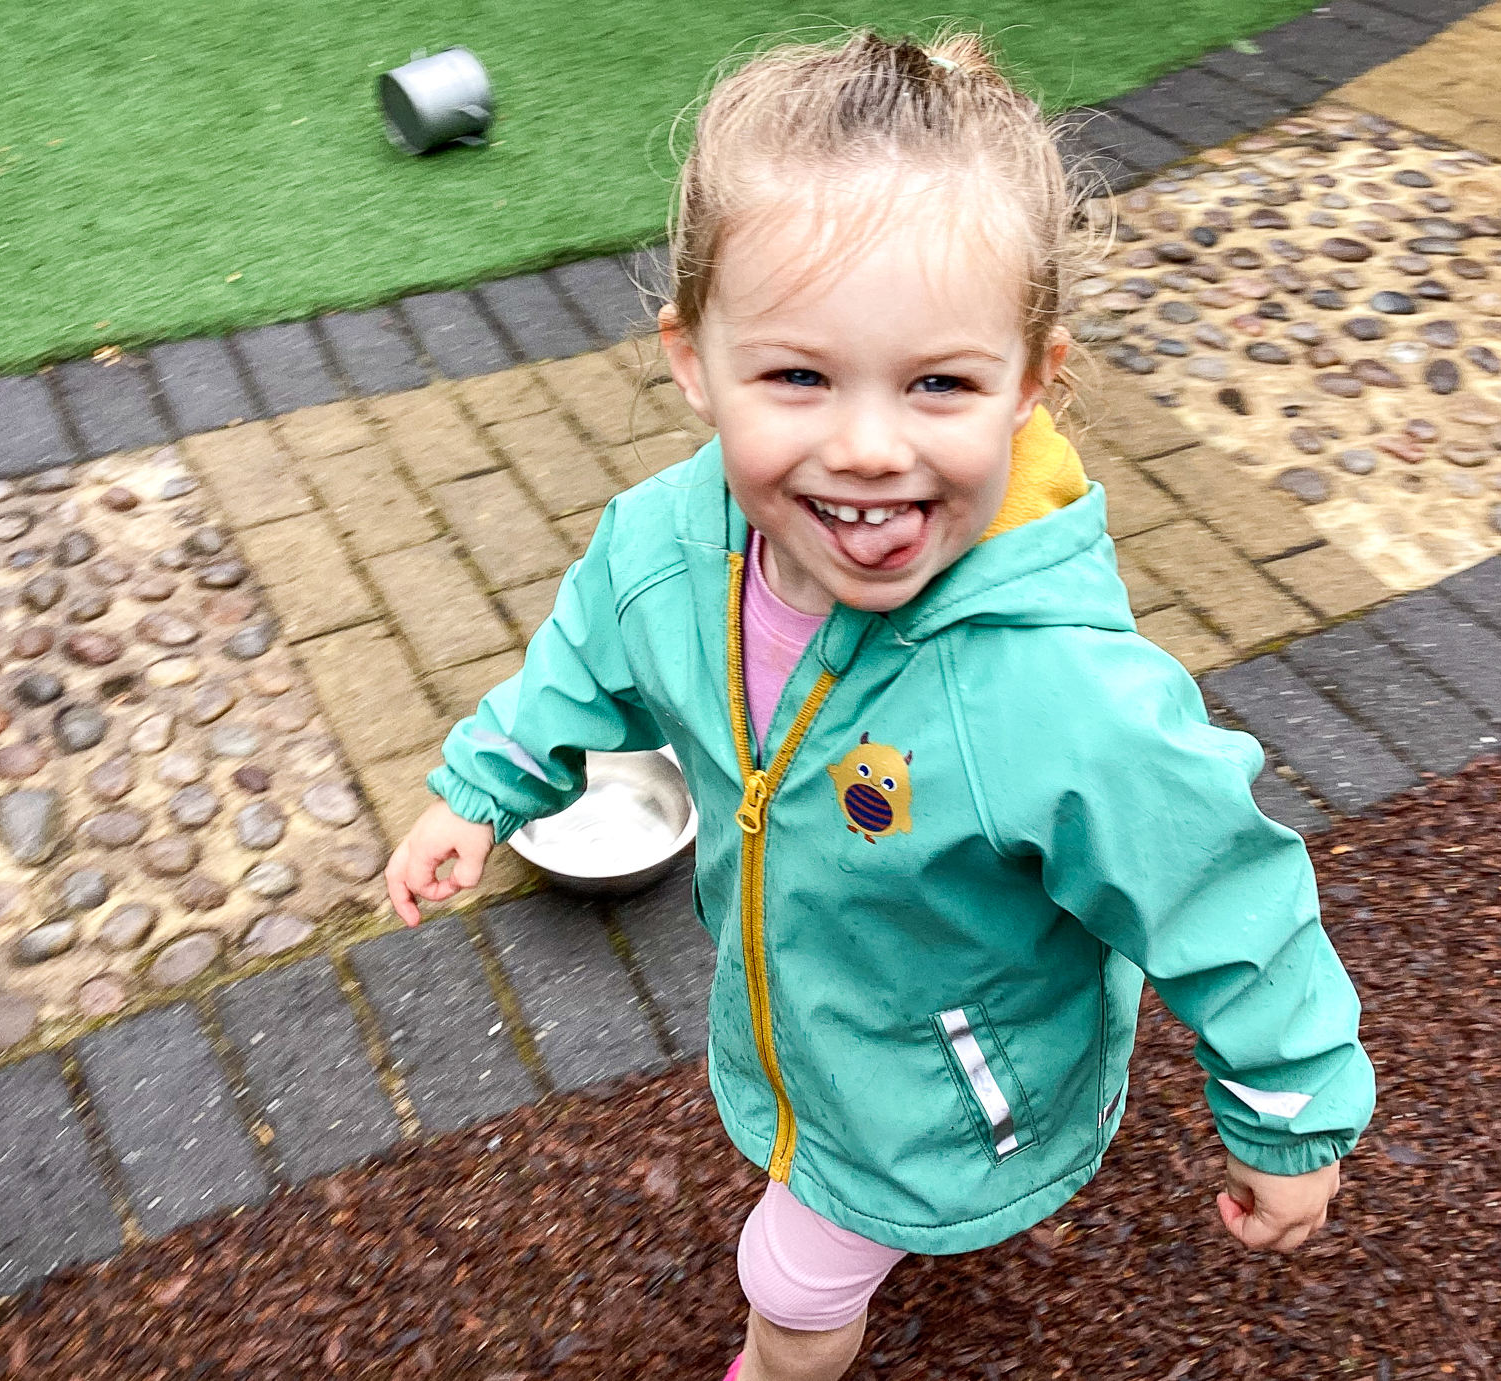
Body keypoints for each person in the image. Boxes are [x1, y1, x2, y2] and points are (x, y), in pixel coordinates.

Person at [386, 28, 1375, 1381]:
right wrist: (488, 783)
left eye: (940, 384)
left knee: (789, 1280)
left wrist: (1294, 1114)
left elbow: (1222, 891)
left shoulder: (1055, 691)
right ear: (694, 359)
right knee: (812, 1206)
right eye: (798, 374)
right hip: (817, 1009)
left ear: (1030, 385)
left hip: (945, 1084)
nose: (866, 444)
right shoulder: (671, 544)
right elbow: (590, 648)